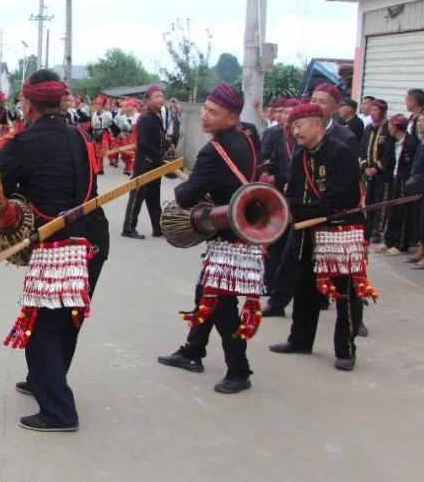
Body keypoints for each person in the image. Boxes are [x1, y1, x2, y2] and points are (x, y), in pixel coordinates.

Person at [0, 70, 103, 431]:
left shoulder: (21, 143)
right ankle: (43, 379)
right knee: (66, 320)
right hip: (93, 239)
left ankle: (59, 411)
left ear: (28, 104)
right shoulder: (80, 136)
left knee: (43, 327)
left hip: (57, 245)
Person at [156, 83, 259, 394]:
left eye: (213, 112)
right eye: (205, 108)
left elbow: (187, 197)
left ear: (231, 118)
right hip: (243, 230)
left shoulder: (214, 151)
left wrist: (180, 187)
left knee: (222, 303)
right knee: (206, 291)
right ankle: (193, 350)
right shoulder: (248, 137)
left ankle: (239, 370)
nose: (204, 115)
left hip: (228, 237)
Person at [269, 103, 370, 371]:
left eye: (299, 125)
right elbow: (293, 191)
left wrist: (299, 211)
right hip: (307, 231)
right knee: (304, 285)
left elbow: (341, 197)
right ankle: (300, 340)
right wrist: (286, 209)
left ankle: (346, 350)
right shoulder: (299, 156)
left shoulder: (342, 152)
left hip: (339, 231)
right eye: (293, 127)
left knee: (345, 292)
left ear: (317, 125)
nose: (295, 132)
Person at [260, 99, 297, 309]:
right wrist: (266, 174)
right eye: (282, 112)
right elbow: (267, 158)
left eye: (288, 113)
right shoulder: (275, 134)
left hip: (297, 199)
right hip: (278, 196)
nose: (284, 116)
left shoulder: (302, 139)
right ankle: (271, 285)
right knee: (275, 242)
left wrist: (281, 178)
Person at [122, 85, 166, 240]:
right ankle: (128, 229)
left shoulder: (156, 117)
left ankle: (158, 229)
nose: (160, 99)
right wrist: (158, 157)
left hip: (155, 164)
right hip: (145, 164)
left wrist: (167, 146)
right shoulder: (146, 118)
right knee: (137, 197)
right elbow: (144, 143)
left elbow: (158, 140)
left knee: (154, 197)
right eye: (157, 96)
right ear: (148, 100)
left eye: (162, 96)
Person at [382, 113, 420, 256]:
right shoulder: (393, 141)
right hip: (394, 178)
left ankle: (400, 244)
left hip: (406, 182)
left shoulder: (411, 144)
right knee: (392, 211)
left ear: (394, 127)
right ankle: (388, 241)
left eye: (390, 125)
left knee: (403, 213)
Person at [360, 99, 395, 247]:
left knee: (381, 201)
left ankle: (377, 230)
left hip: (383, 173)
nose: (373, 114)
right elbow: (362, 148)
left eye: (376, 111)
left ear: (383, 112)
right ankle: (368, 227)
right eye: (372, 111)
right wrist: (365, 167)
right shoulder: (369, 128)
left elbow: (389, 153)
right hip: (369, 173)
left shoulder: (389, 129)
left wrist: (377, 168)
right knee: (369, 200)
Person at [407, 110, 424, 268]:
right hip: (419, 188)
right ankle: (421, 250)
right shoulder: (422, 141)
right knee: (419, 219)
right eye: (419, 121)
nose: (420, 124)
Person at [311, 84, 360, 153]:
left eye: (322, 102)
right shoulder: (301, 132)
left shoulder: (346, 138)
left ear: (336, 108)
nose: (316, 106)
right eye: (313, 101)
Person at [90, 96, 113, 175]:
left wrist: (102, 129)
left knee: (101, 152)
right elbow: (92, 125)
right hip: (95, 133)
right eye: (96, 104)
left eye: (98, 104)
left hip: (103, 134)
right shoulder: (94, 114)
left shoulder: (107, 114)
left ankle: (100, 168)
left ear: (102, 105)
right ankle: (99, 168)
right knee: (96, 151)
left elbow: (109, 125)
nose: (97, 106)